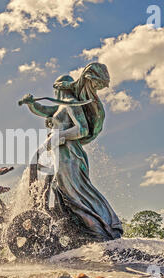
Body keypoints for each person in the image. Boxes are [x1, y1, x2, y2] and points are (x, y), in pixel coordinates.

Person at [20, 62, 123, 240]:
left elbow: (82, 130)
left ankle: (101, 230)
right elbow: (44, 110)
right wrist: (30, 104)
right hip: (61, 156)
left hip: (70, 156)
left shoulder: (71, 103)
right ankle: (77, 231)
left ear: (60, 89)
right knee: (60, 191)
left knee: (75, 194)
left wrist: (58, 136)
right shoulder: (61, 106)